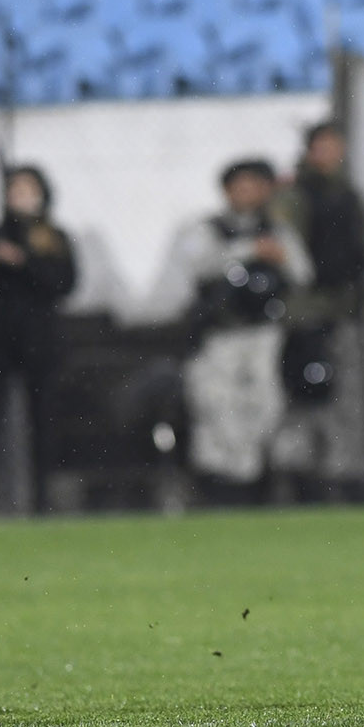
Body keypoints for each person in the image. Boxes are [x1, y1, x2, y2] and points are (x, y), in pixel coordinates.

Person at [155, 159, 313, 502]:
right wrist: (246, 251)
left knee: (265, 404)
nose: (247, 193)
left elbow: (302, 274)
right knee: (215, 406)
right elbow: (195, 267)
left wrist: (277, 255)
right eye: (240, 186)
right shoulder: (206, 229)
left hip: (264, 333)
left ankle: (254, 479)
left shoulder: (278, 230)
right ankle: (218, 484)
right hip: (219, 334)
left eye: (255, 185)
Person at [0, 166, 77, 516]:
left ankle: (42, 497)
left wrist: (24, 260)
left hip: (40, 341)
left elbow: (62, 283)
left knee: (42, 421)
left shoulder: (53, 236)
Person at [273, 123, 364, 500]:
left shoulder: (346, 194)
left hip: (341, 309)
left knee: (343, 395)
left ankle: (339, 471)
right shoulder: (296, 194)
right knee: (305, 394)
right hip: (307, 313)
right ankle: (302, 473)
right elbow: (293, 257)